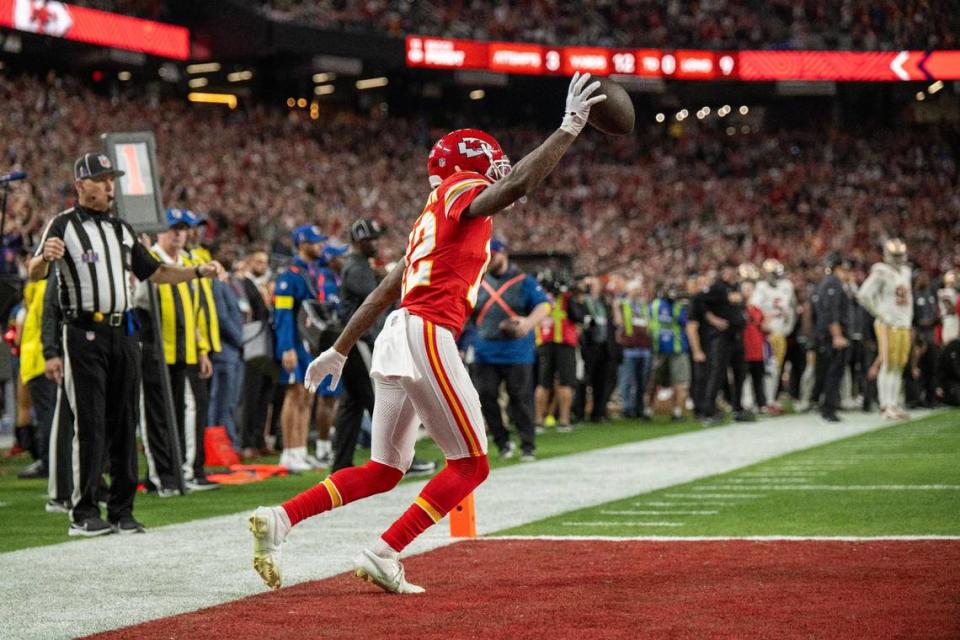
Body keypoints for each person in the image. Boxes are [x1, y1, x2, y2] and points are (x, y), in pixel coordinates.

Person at [248, 72, 606, 593]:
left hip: (399, 332)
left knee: (384, 469)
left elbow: (383, 291)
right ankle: (384, 550)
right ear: (468, 168)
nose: (496, 169)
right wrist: (570, 127)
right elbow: (517, 184)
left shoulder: (428, 219)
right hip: (427, 332)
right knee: (472, 465)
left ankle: (279, 519)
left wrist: (338, 349)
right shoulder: (464, 191)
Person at [28, 153, 223, 536]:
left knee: (124, 421)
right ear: (81, 184)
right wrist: (44, 260)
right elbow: (34, 272)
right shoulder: (62, 225)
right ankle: (83, 511)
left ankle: (121, 509)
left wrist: (199, 270)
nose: (109, 186)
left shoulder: (121, 228)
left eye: (112, 179)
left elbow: (158, 271)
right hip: (83, 331)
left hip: (124, 333)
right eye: (101, 179)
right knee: (90, 421)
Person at [135, 208, 221, 495]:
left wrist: (202, 349)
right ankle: (161, 476)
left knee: (179, 413)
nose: (178, 233)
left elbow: (192, 312)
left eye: (183, 228)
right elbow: (139, 301)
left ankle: (177, 471)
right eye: (173, 228)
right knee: (156, 415)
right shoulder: (150, 261)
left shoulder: (186, 262)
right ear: (160, 231)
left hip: (183, 351)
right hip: (155, 349)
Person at [470, 238, 550, 460]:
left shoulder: (523, 281)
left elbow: (544, 305)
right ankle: (502, 441)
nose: (488, 260)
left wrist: (527, 323)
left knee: (520, 398)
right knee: (486, 397)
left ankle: (527, 444)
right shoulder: (477, 282)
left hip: (517, 351)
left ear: (503, 254)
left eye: (492, 256)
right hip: (484, 350)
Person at [856, 238, 913, 419]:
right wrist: (881, 314)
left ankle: (893, 404)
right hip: (889, 324)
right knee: (888, 365)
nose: (897, 259)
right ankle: (885, 406)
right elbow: (863, 295)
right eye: (894, 255)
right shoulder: (881, 271)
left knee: (898, 366)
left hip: (903, 323)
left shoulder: (906, 272)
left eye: (899, 255)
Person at [811, 252, 851, 422]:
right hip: (830, 336)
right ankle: (828, 408)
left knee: (828, 372)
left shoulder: (826, 283)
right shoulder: (833, 283)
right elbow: (831, 311)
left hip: (824, 334)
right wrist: (837, 335)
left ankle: (824, 405)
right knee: (833, 372)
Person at [750, 259, 796, 410]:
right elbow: (754, 309)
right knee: (765, 369)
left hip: (778, 333)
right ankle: (759, 400)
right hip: (765, 335)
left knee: (775, 369)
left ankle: (769, 399)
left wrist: (786, 329)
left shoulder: (786, 287)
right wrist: (763, 325)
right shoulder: (761, 288)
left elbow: (791, 312)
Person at [647, 283, 689, 421]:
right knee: (665, 380)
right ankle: (653, 409)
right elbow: (684, 322)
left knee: (675, 381)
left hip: (667, 348)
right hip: (666, 348)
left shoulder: (656, 305)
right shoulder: (674, 306)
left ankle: (656, 410)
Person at [614, 278, 652, 419]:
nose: (638, 291)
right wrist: (616, 309)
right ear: (629, 290)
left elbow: (648, 324)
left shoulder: (643, 305)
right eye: (635, 289)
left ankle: (639, 407)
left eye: (639, 289)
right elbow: (618, 322)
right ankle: (627, 408)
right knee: (628, 380)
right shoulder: (623, 304)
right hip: (629, 347)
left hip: (643, 347)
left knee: (642, 380)